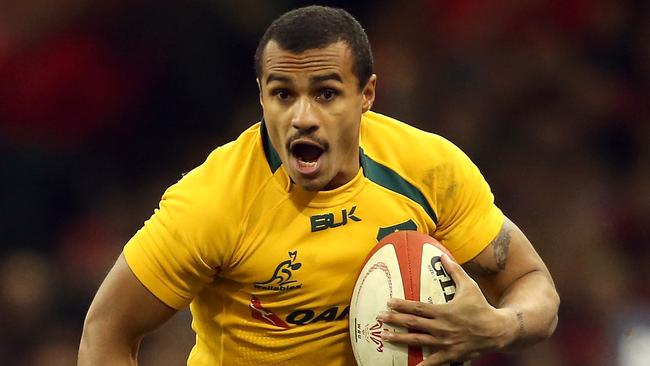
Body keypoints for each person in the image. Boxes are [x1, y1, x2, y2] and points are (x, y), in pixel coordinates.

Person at [78, 5, 559, 366]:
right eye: (283, 95)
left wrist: (496, 327)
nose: (302, 118)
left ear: (366, 94)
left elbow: (531, 283)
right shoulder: (212, 202)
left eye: (326, 93)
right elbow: (107, 329)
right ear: (262, 97)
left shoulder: (428, 169)